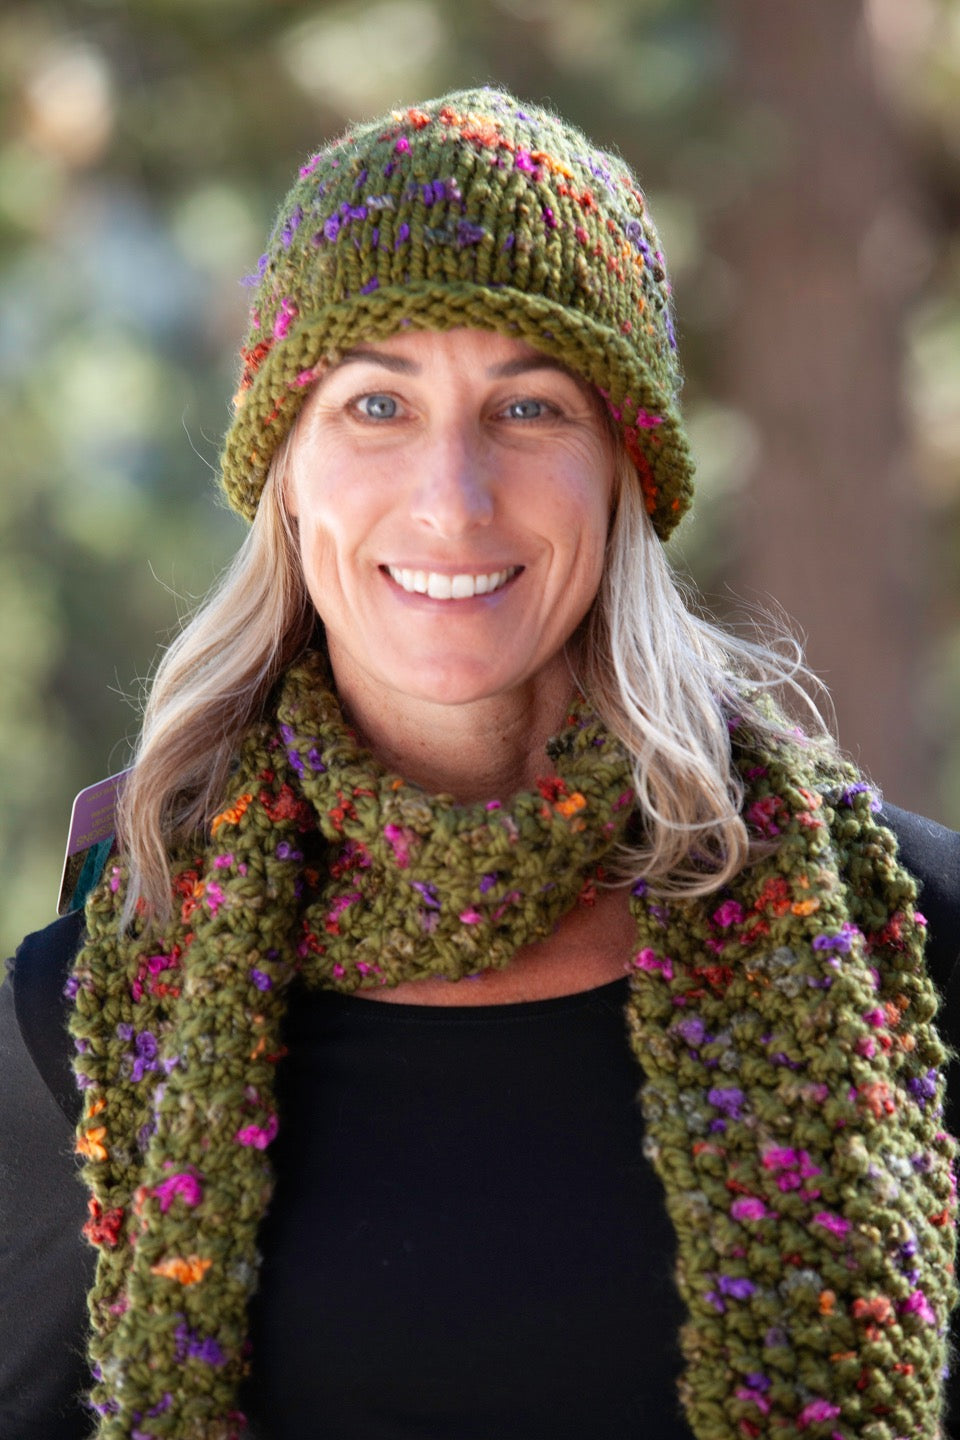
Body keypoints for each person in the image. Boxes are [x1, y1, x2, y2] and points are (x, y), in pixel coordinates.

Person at [2, 85, 959, 1440]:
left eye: (529, 409)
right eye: (378, 403)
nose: (451, 498)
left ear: (627, 468)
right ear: (288, 466)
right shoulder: (89, 1013)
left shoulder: (910, 941)